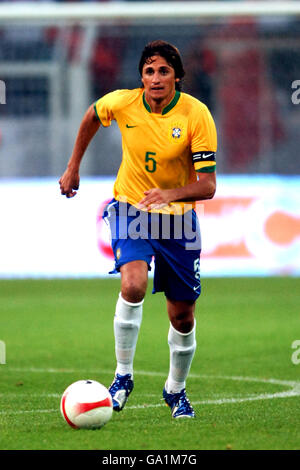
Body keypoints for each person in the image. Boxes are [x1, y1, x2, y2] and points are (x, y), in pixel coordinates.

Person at [59, 40, 217, 419]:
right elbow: (91, 116)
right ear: (141, 78)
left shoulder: (196, 115)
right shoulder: (123, 102)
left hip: (178, 221)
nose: (156, 78)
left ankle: (175, 390)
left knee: (182, 316)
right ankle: (122, 377)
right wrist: (73, 167)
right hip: (132, 208)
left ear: (177, 77)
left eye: (164, 71)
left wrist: (169, 194)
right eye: (149, 71)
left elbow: (208, 186)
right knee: (132, 285)